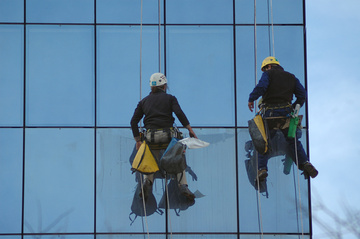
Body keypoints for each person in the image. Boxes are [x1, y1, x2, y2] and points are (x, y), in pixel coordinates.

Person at [248, 56, 318, 181]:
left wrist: (251, 98)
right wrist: (295, 108)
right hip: (286, 114)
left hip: (270, 114)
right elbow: (302, 95)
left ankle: (262, 169)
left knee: (263, 142)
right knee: (293, 142)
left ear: (268, 66)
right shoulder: (291, 77)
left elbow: (262, 87)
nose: (264, 72)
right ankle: (305, 163)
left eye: (264, 69)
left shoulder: (269, 74)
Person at [131, 72, 197, 201]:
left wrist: (138, 141)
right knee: (177, 159)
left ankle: (147, 182)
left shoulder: (143, 102)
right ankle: (183, 185)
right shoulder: (170, 98)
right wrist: (189, 129)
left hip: (151, 138)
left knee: (149, 161)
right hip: (168, 137)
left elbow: (133, 121)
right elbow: (179, 113)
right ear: (164, 85)